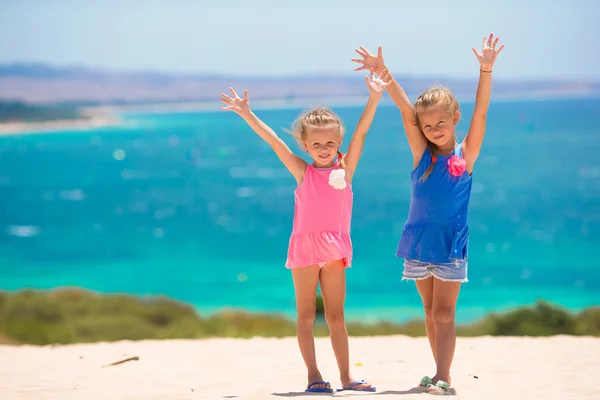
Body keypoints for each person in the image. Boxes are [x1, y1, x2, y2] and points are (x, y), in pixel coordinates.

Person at [219, 70, 392, 393]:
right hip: (305, 250)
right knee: (306, 314)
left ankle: (345, 376)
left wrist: (374, 97)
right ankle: (314, 375)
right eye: (316, 144)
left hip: (335, 251)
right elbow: (273, 140)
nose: (324, 148)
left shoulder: (346, 168)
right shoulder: (302, 171)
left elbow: (363, 133)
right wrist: (247, 113)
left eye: (330, 142)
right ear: (305, 145)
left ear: (338, 142)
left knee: (337, 316)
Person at [351, 33, 504, 395]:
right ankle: (437, 372)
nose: (433, 130)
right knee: (429, 311)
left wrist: (485, 69)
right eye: (427, 125)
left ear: (454, 118)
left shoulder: (464, 156)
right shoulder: (422, 156)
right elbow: (407, 111)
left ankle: (444, 377)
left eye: (441, 123)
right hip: (418, 242)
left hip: (450, 244)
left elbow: (481, 112)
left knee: (444, 313)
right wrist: (384, 72)